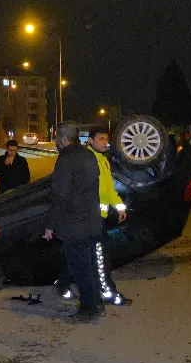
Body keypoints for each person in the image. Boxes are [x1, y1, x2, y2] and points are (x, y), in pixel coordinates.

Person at [55, 126, 134, 306]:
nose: (105, 142)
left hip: (98, 217)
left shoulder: (102, 160)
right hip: (91, 219)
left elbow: (108, 189)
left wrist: (120, 207)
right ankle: (107, 294)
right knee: (99, 259)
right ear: (89, 140)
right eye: (100, 139)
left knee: (84, 257)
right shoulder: (89, 159)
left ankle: (63, 284)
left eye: (106, 139)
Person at [44, 122, 104, 323]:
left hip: (75, 224)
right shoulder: (88, 155)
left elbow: (60, 195)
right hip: (92, 221)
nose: (55, 142)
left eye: (56, 138)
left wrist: (50, 225)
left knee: (80, 267)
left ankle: (89, 309)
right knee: (91, 265)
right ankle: (97, 303)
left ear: (63, 139)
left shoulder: (65, 159)